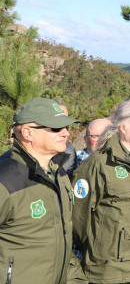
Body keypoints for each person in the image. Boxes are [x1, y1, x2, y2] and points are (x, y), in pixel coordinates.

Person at [72, 97, 130, 284]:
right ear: (123, 128)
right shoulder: (98, 164)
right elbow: (78, 219)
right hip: (110, 271)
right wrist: (101, 248)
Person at [0, 98, 84, 284]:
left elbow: (62, 237)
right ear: (27, 133)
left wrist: (75, 278)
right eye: (55, 128)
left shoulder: (59, 175)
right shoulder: (5, 180)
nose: (65, 133)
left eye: (67, 127)